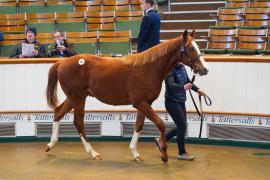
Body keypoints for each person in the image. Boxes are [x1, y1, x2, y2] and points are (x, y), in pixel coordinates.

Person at [155, 62, 206, 161]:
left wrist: (198, 89)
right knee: (182, 126)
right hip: (171, 102)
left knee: (182, 126)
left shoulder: (182, 67)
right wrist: (183, 87)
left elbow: (187, 81)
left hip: (181, 100)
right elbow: (170, 85)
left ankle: (162, 139)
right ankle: (181, 153)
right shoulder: (169, 69)